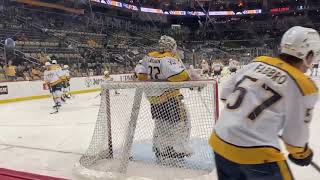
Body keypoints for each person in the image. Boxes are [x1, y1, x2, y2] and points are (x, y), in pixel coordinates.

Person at [209, 26, 320, 180]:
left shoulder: (257, 62)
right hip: (257, 153)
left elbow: (226, 94)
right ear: (308, 55)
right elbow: (295, 137)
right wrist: (302, 154)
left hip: (220, 140)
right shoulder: (304, 85)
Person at [135, 35, 193, 159]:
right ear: (171, 46)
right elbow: (178, 76)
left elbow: (140, 75)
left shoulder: (148, 56)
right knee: (181, 122)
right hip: (169, 97)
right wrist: (188, 76)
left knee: (161, 123)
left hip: (153, 99)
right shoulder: (168, 58)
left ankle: (158, 147)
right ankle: (174, 149)